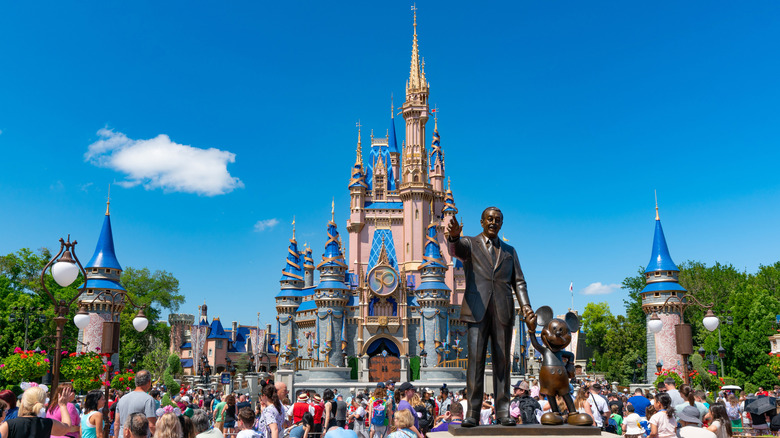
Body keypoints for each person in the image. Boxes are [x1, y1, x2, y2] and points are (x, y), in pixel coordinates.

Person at [446, 208, 532, 427]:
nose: (493, 223)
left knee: (502, 362)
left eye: (498, 220)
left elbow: (519, 282)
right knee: (475, 361)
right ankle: (473, 412)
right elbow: (455, 250)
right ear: (482, 221)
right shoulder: (470, 244)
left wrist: (527, 308)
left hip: (503, 311)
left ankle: (503, 411)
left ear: (501, 223)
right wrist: (454, 236)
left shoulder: (510, 251)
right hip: (477, 310)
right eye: (490, 219)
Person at [1, 385, 77, 438]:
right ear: (43, 402)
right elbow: (66, 427)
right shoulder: (48, 423)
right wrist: (63, 405)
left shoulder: (8, 425)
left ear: (23, 401)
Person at [114, 370, 157, 438]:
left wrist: (116, 436)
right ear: (149, 382)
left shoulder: (122, 399)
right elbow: (151, 425)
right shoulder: (148, 399)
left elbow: (116, 423)